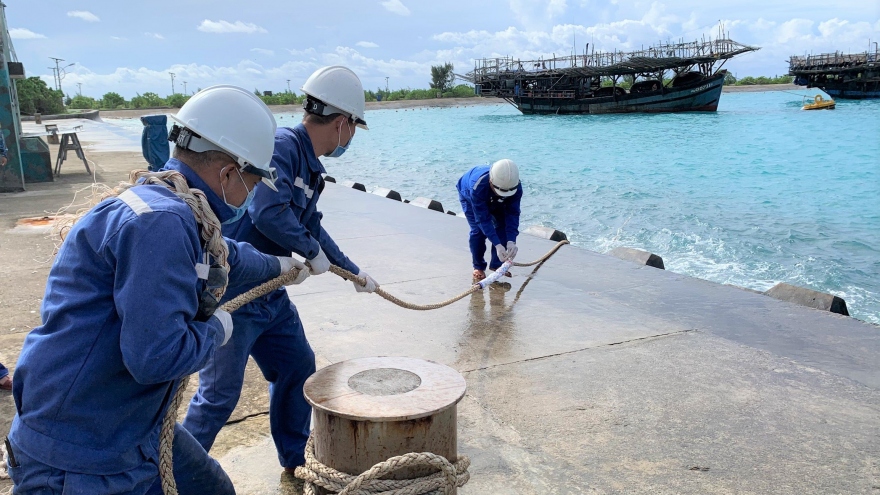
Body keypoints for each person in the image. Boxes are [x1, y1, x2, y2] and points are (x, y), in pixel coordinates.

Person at [6, 85, 310, 495]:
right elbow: (156, 358)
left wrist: (278, 264)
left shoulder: (170, 206)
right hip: (81, 450)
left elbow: (225, 255)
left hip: (130, 423)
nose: (252, 194)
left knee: (212, 489)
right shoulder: (161, 224)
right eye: (253, 183)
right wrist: (216, 330)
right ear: (228, 173)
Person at [182, 66, 378, 474]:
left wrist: (352, 271)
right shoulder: (282, 147)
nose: (352, 136)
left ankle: (295, 459)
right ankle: (174, 475)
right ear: (341, 123)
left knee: (297, 367)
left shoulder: (310, 166)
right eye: (354, 126)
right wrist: (308, 250)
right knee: (218, 396)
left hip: (270, 290)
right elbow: (268, 211)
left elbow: (310, 223)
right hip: (234, 293)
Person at [457, 159, 523, 283]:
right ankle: (478, 266)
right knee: (478, 231)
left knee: (502, 226)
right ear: (491, 181)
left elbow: (513, 214)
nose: (504, 194)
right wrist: (498, 244)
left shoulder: (515, 187)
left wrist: (511, 240)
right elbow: (483, 220)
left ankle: (497, 265)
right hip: (469, 196)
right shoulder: (477, 187)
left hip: (495, 198)